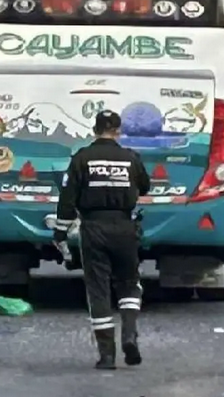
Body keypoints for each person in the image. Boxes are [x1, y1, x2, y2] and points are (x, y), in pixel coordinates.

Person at [54, 110, 151, 370]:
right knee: (129, 284)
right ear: (118, 131)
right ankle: (129, 333)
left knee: (98, 289)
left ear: (94, 130)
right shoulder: (131, 158)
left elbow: (67, 199)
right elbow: (145, 186)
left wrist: (60, 232)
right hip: (125, 226)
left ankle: (107, 355)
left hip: (93, 228)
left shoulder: (81, 158)